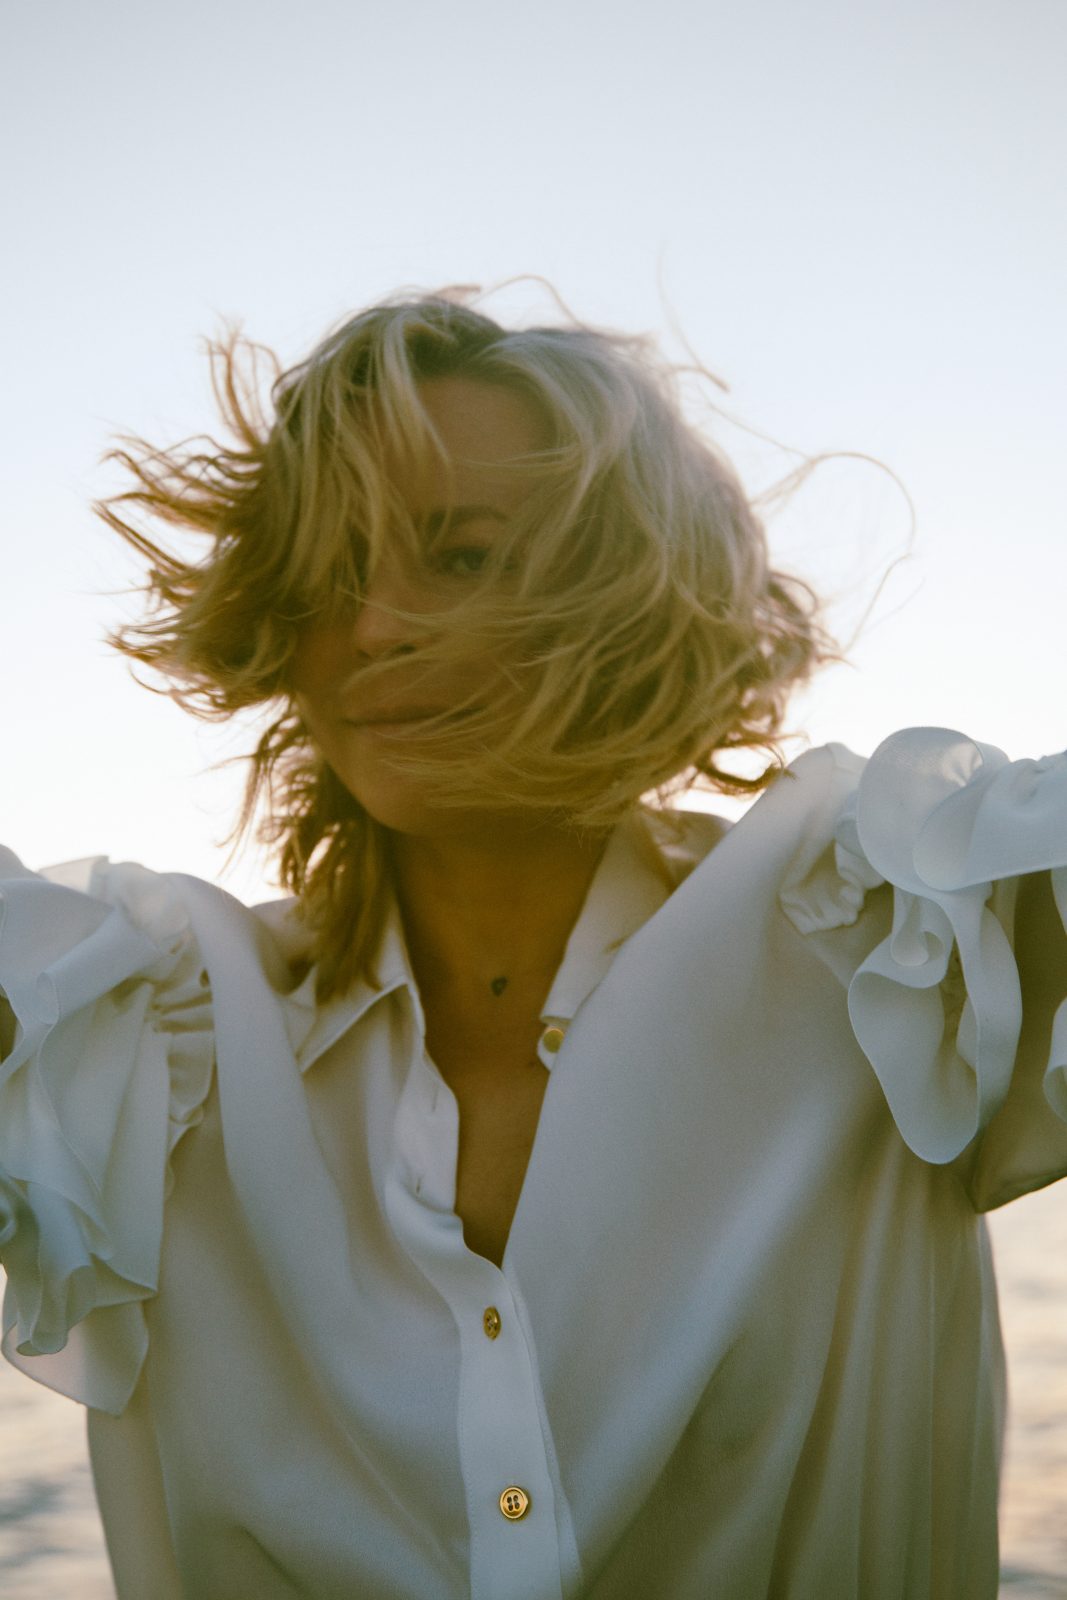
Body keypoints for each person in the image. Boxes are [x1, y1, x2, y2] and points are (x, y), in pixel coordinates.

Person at [0, 289, 1065, 1600]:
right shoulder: (142, 1043)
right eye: (329, 575)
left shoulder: (896, 947)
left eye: (459, 558)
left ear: (626, 589)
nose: (374, 626)